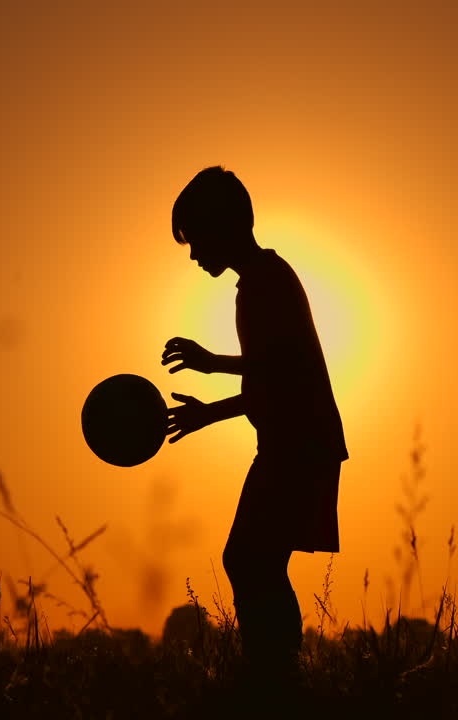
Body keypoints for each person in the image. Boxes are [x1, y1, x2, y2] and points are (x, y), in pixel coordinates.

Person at [161, 166, 348, 692]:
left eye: (196, 240)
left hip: (298, 445)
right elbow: (274, 367)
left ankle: (275, 678)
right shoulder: (267, 278)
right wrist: (212, 368)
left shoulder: (263, 284)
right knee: (256, 560)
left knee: (250, 559)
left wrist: (207, 407)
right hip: (297, 442)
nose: (195, 255)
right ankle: (277, 673)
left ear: (223, 227)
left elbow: (279, 378)